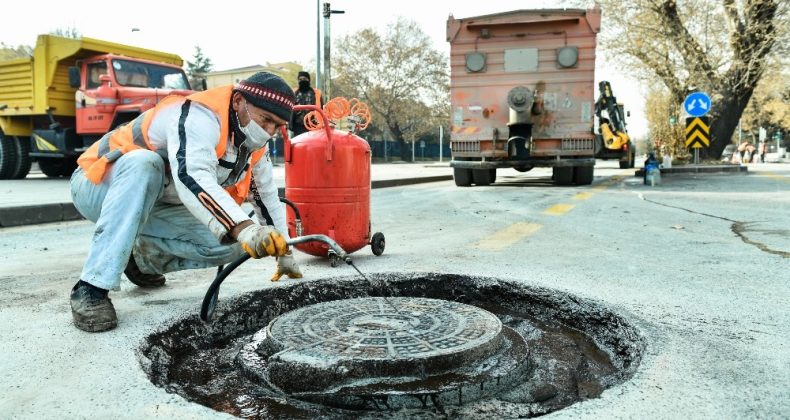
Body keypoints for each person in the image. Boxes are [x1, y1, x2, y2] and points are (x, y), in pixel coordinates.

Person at [69, 72, 302, 333]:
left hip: (157, 203)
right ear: (238, 101)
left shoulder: (254, 145)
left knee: (232, 245)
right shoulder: (199, 115)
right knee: (145, 163)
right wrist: (244, 228)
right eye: (266, 119)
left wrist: (284, 252)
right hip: (97, 185)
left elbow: (266, 196)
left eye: (277, 126)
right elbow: (193, 175)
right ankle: (91, 287)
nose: (269, 131)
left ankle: (138, 258)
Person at [290, 71, 323, 137]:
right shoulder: (294, 93)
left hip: (313, 125)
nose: (302, 81)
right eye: (300, 79)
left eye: (304, 79)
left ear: (308, 80)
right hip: (298, 126)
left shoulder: (315, 93)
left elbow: (322, 108)